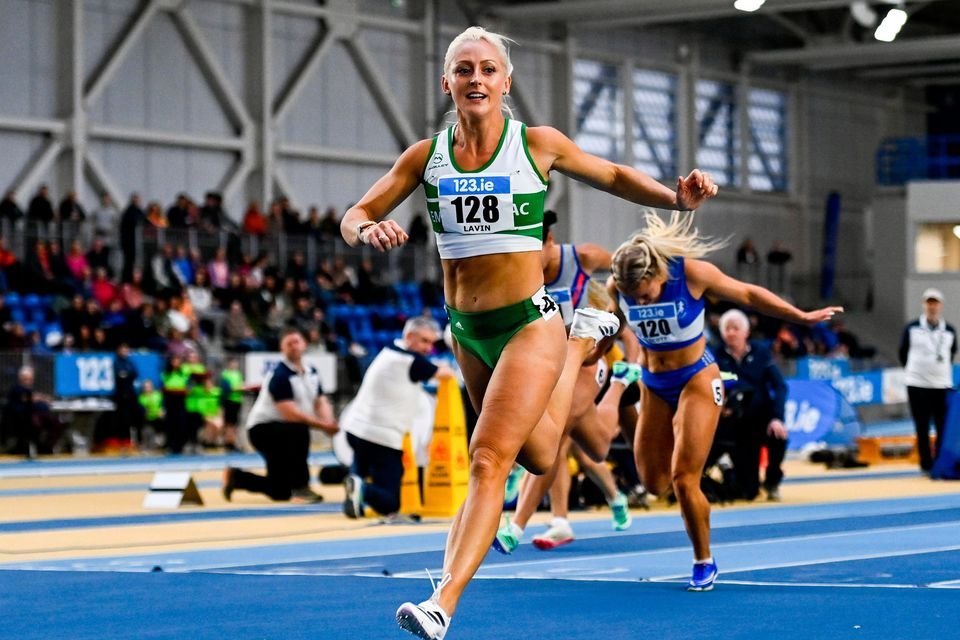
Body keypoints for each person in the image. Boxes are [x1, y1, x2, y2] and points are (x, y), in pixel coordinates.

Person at [340, 26, 718, 639]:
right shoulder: (424, 157)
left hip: (526, 324)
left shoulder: (535, 145)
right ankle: (580, 343)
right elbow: (356, 213)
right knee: (541, 452)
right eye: (464, 70)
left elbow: (615, 175)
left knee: (487, 459)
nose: (476, 79)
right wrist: (366, 231)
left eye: (488, 69)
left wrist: (676, 197)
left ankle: (443, 604)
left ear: (506, 83)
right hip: (466, 330)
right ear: (448, 83)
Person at [607, 210, 841, 592]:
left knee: (685, 479)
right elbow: (605, 324)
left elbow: (748, 294)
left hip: (696, 377)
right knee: (652, 483)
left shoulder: (691, 275)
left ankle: (703, 559)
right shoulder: (621, 288)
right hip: (654, 382)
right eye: (632, 297)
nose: (639, 301)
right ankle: (646, 419)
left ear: (657, 274)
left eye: (644, 294)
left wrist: (800, 316)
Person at [495, 211, 639, 553]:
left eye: (534, 249)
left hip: (587, 361)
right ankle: (608, 497)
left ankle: (518, 524)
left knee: (554, 436)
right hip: (548, 366)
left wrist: (618, 305)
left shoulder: (582, 258)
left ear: (549, 241)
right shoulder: (519, 270)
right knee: (595, 449)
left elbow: (624, 267)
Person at [342, 316, 455, 518]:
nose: (429, 348)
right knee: (390, 502)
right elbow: (445, 373)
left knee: (359, 478)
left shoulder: (388, 352)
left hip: (356, 430)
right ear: (409, 336)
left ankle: (356, 493)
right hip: (382, 438)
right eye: (424, 341)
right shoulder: (410, 361)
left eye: (431, 342)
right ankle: (362, 489)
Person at [223, 327, 338, 502]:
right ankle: (301, 487)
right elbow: (290, 414)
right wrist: (323, 426)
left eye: (296, 342)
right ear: (281, 349)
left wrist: (329, 421)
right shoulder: (280, 376)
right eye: (288, 343)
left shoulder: (312, 372)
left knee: (280, 491)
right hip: (263, 431)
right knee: (299, 430)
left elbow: (320, 401)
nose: (293, 346)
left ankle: (237, 478)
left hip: (284, 430)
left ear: (304, 344)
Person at [712, 309, 788, 501]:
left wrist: (777, 417)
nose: (731, 333)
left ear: (746, 332)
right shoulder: (716, 356)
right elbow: (710, 386)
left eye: (735, 328)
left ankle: (772, 481)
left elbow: (779, 386)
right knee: (748, 492)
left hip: (761, 416)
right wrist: (720, 406)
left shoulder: (761, 352)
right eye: (727, 329)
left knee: (778, 436)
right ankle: (735, 475)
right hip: (735, 423)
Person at [898, 288, 957, 473]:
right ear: (924, 305)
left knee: (942, 425)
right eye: (929, 303)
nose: (932, 306)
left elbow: (952, 353)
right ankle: (925, 462)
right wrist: (915, 371)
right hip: (917, 384)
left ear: (940, 305)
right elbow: (903, 352)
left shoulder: (949, 330)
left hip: (941, 384)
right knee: (921, 425)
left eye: (935, 303)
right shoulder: (912, 328)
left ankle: (939, 461)